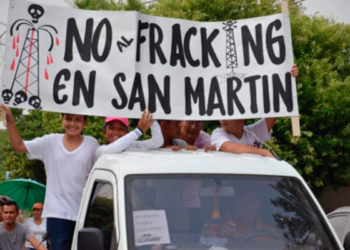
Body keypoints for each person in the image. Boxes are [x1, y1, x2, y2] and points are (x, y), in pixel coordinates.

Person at [0, 104, 99, 250]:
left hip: (84, 213)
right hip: (57, 213)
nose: (72, 123)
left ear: (85, 122)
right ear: (62, 119)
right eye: (68, 118)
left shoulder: (92, 144)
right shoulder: (50, 142)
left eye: (77, 120)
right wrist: (9, 119)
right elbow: (18, 145)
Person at [211, 64, 299, 158]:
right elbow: (230, 147)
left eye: (228, 114)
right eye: (221, 114)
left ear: (242, 115)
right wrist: (264, 152)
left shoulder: (254, 132)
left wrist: (288, 78)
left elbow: (276, 108)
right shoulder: (218, 133)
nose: (222, 119)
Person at [202, 187, 278, 239]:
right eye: (242, 200)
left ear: (258, 206)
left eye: (252, 201)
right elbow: (201, 244)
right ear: (233, 203)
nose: (247, 205)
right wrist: (218, 236)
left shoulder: (268, 231)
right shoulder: (215, 226)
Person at [95, 110, 163, 159]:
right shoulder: (100, 150)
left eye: (121, 128)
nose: (116, 132)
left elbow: (157, 142)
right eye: (112, 128)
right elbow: (114, 148)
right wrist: (139, 130)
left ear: (127, 133)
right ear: (104, 132)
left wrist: (151, 119)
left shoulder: (132, 145)